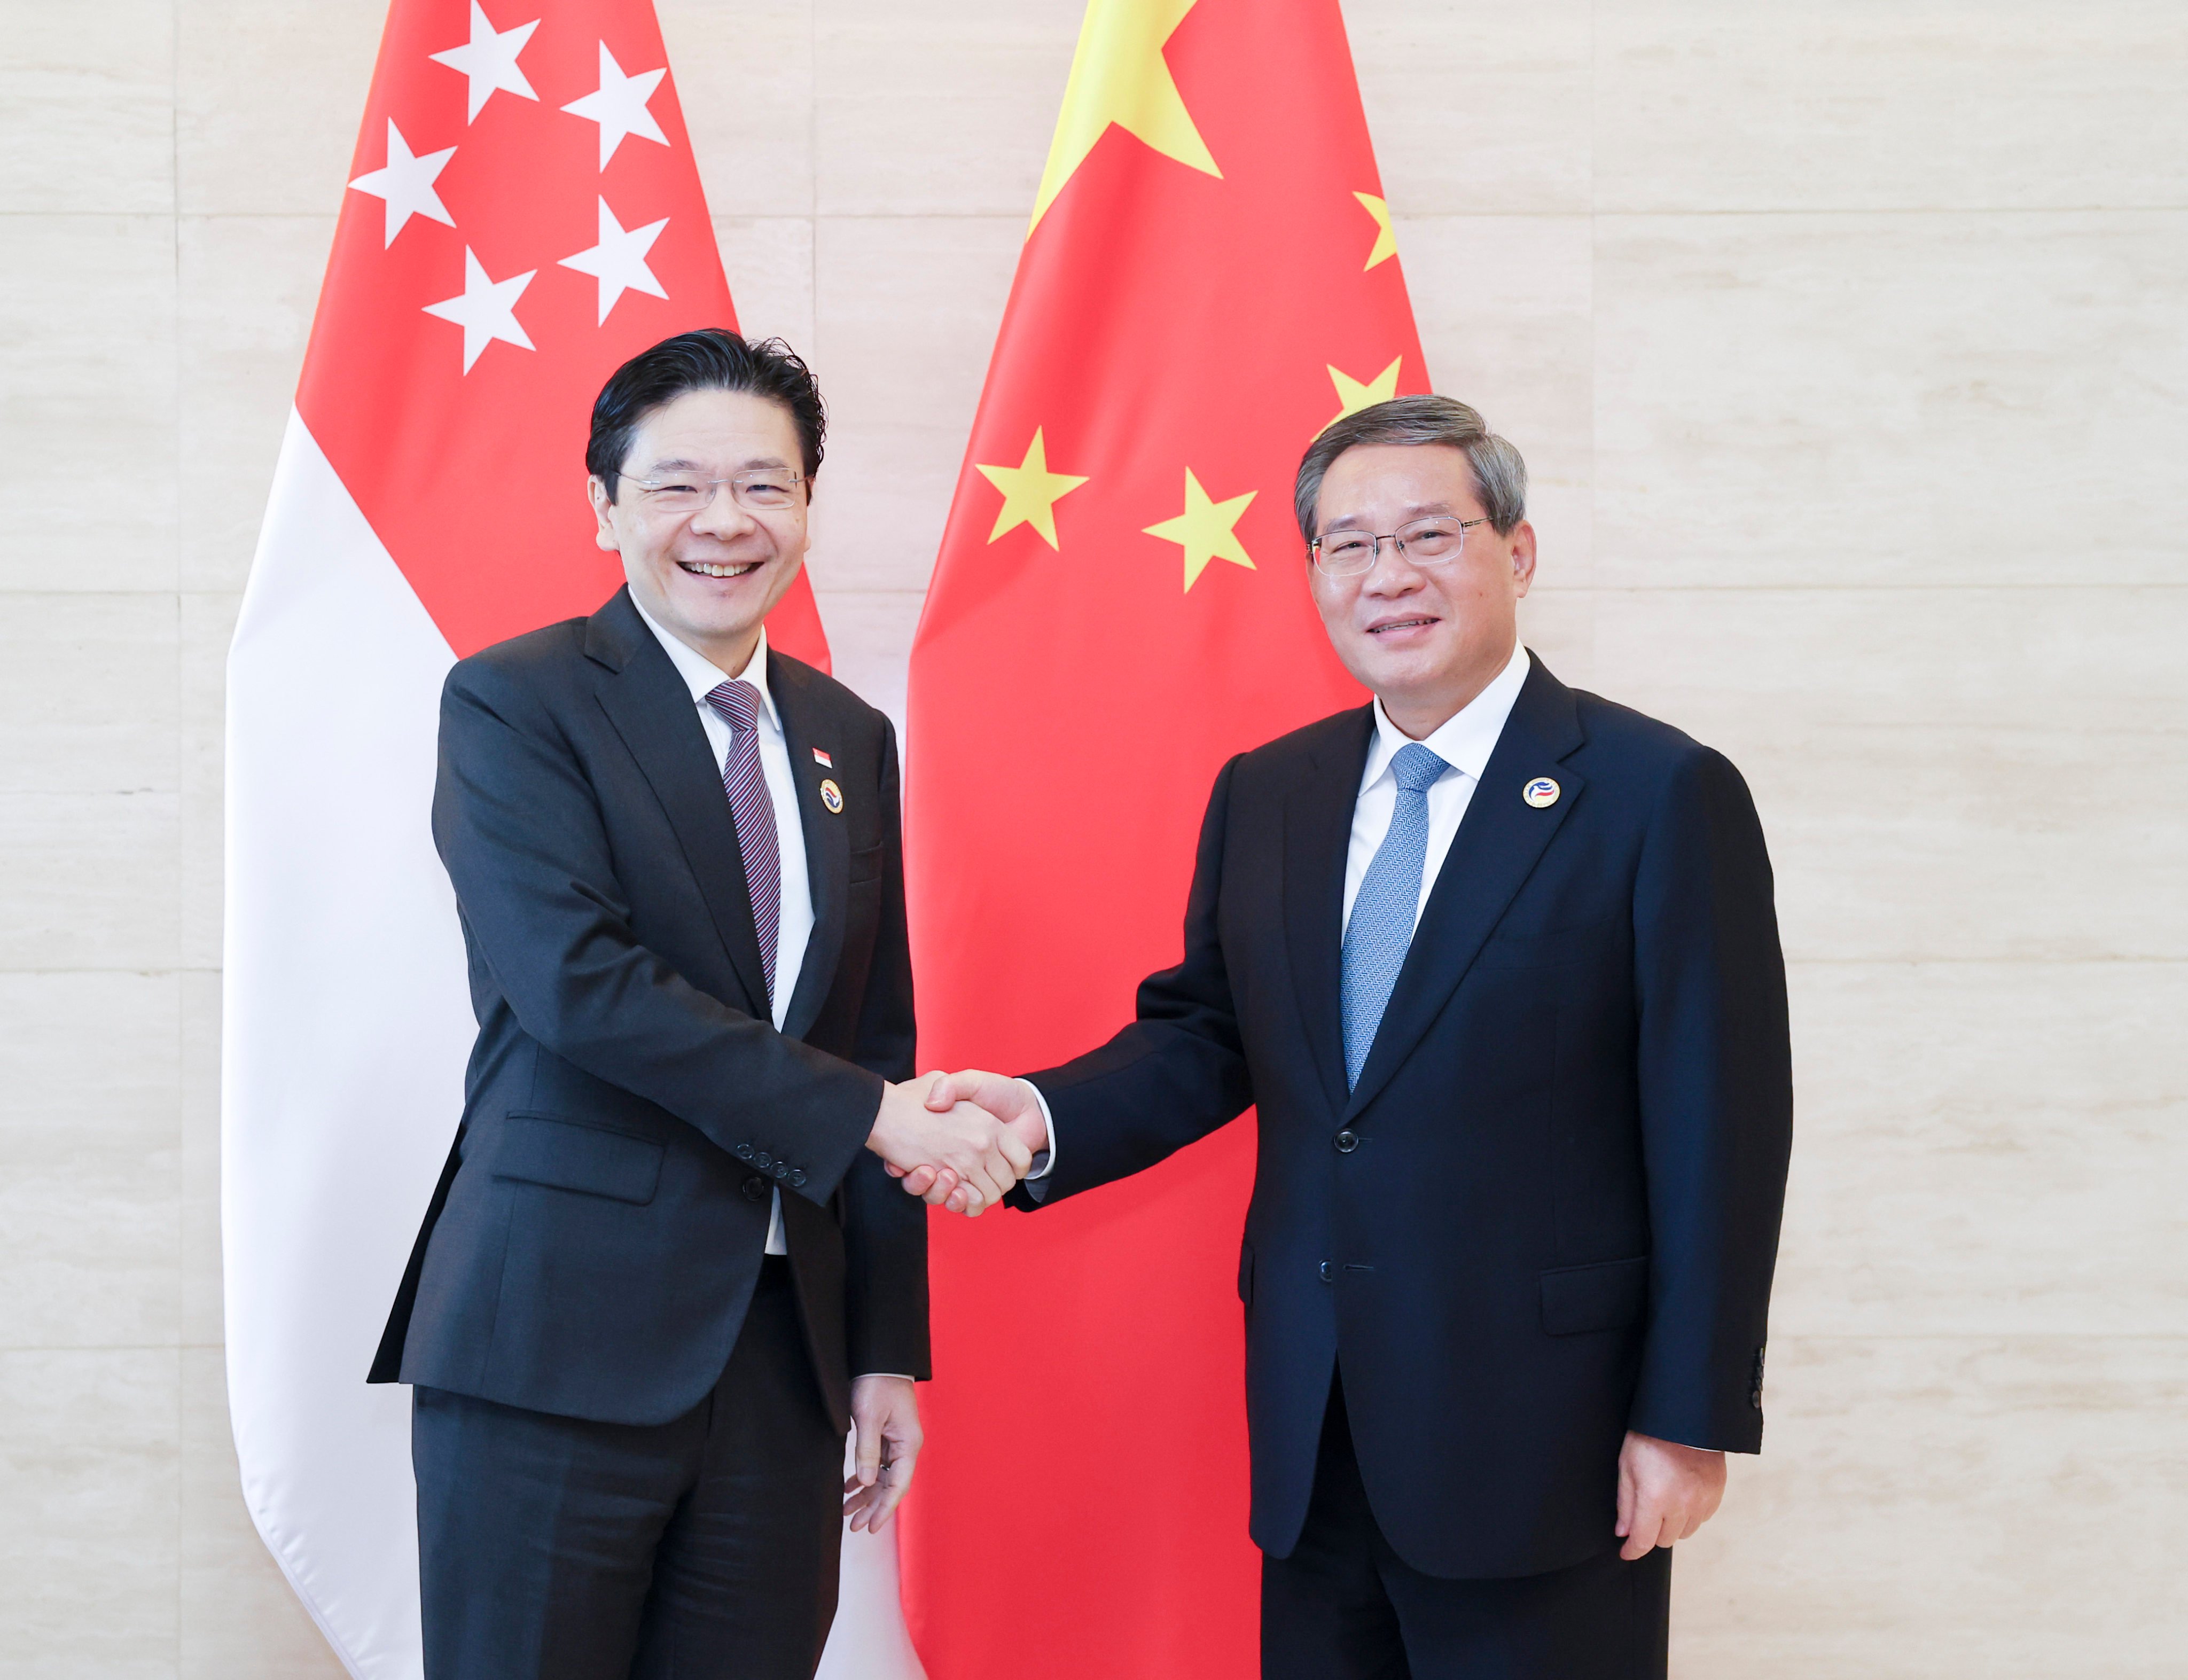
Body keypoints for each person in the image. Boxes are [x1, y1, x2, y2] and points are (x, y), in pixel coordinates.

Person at [909, 395, 1794, 1679]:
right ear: (1312, 571)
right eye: (1348, 545)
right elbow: (1211, 1037)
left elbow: (1720, 1124)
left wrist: (1686, 1416)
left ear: (1517, 552)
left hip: (1547, 1449)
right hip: (1314, 1431)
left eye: (1429, 535)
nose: (1389, 576)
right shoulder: (1273, 791)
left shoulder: (1654, 792)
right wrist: (1036, 1118)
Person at [369, 329, 1032, 1680]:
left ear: (804, 508)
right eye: (675, 485)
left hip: (783, 1363)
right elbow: (581, 988)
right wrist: (877, 1119)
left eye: (764, 485)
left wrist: (882, 1348)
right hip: (558, 1342)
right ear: (604, 505)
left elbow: (873, 1038)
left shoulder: (849, 736)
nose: (723, 522)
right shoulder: (517, 701)